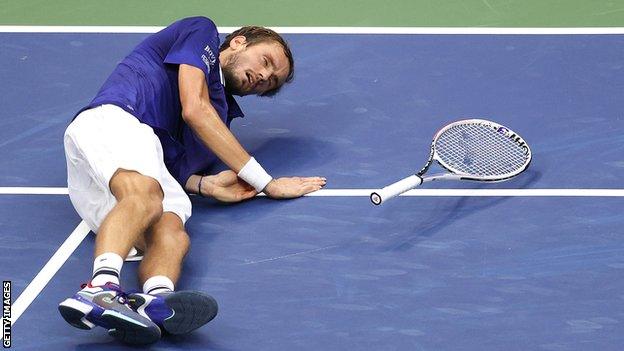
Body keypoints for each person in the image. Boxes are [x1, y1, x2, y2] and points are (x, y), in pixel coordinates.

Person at [58, 16, 326, 345]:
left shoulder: (221, 115)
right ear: (239, 42)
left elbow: (174, 169)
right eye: (266, 62)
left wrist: (204, 185)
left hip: (138, 162)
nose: (264, 77)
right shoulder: (202, 32)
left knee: (172, 229)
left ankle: (153, 301)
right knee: (146, 196)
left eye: (270, 83)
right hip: (115, 120)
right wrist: (266, 183)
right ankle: (100, 288)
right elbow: (194, 110)